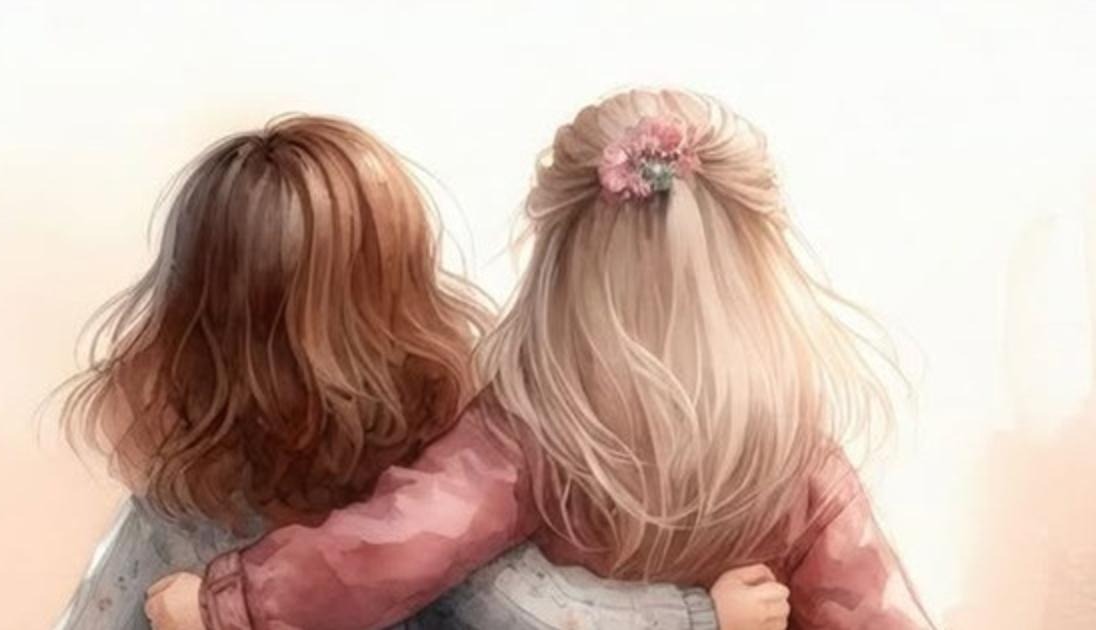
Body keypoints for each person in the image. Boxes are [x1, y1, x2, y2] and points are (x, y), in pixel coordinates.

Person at [146, 89, 934, 630]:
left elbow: (386, 551)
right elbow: (877, 612)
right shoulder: (802, 463)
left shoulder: (525, 432)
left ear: (558, 257)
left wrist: (227, 604)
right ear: (756, 266)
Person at [55, 113, 779, 630]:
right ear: (397, 301)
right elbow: (530, 612)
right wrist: (700, 616)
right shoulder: (426, 488)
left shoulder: (179, 503)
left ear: (189, 312)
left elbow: (99, 612)